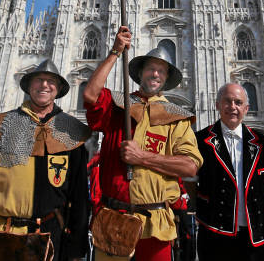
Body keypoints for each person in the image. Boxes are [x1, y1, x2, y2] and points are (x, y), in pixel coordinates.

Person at [0, 59, 91, 261]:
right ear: (28, 86)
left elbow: (79, 198)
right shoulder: (1, 126)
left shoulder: (71, 132)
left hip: (49, 236)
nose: (44, 85)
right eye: (38, 80)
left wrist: (76, 247)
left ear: (58, 89)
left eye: (51, 81)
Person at [83, 25, 203, 261]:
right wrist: (115, 52)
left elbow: (190, 167)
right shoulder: (119, 105)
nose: (155, 74)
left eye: (161, 71)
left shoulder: (176, 117)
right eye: (150, 69)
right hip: (114, 219)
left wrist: (143, 158)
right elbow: (90, 96)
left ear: (167, 78)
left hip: (155, 224)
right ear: (140, 73)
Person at [195, 82, 264, 261]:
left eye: (238, 102)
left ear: (246, 108)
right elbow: (190, 181)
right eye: (227, 102)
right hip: (215, 235)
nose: (233, 107)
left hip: (256, 237)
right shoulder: (199, 141)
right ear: (217, 105)